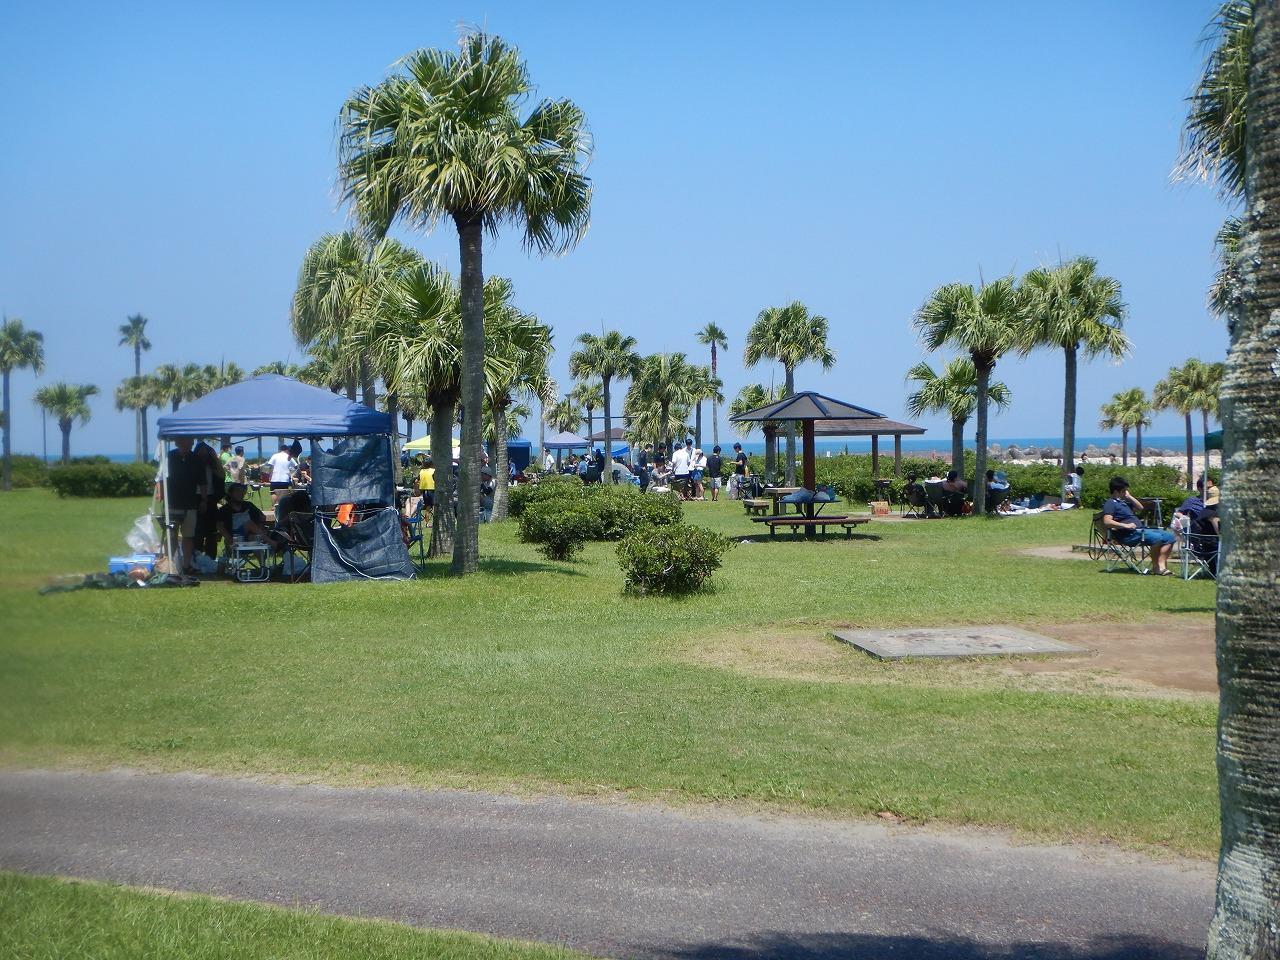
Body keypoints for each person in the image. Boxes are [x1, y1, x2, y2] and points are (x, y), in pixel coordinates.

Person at [1102, 475, 1176, 575]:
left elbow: (1140, 508)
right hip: (1129, 535)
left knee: (1170, 537)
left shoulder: (1123, 502)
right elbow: (1107, 522)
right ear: (1116, 491)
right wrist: (1125, 525)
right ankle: (1156, 567)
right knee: (1157, 538)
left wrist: (1129, 497)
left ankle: (1161, 565)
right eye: (1123, 491)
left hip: (1140, 531)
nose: (1125, 492)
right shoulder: (1110, 503)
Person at [155, 436, 200, 572]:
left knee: (188, 536)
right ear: (179, 442)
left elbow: (202, 480)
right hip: (172, 503)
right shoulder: (170, 456)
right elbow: (160, 478)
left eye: (192, 441)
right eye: (189, 441)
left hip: (190, 503)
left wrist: (203, 499)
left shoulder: (195, 458)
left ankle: (186, 564)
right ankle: (168, 564)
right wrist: (160, 494)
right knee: (171, 535)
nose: (192, 443)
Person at [217, 482, 283, 557]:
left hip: (249, 536)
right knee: (249, 524)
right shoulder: (224, 509)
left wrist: (260, 528)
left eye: (242, 491)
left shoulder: (248, 505)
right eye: (237, 491)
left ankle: (262, 563)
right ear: (230, 493)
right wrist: (227, 536)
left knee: (254, 538)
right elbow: (219, 525)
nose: (240, 493)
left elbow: (262, 517)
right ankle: (272, 543)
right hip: (234, 537)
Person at [193, 441, 226, 561]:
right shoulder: (193, 466)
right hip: (196, 500)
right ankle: (196, 558)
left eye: (205, 454)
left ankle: (210, 559)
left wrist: (215, 458)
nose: (203, 457)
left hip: (211, 499)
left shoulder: (212, 467)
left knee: (211, 533)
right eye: (201, 454)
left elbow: (222, 475)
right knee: (197, 532)